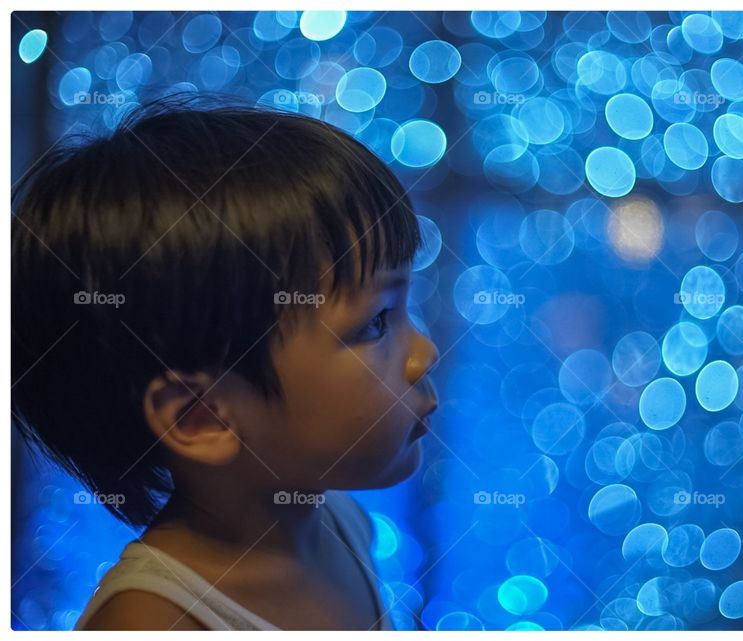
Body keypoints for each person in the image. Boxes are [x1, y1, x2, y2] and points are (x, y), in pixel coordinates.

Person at [11, 95, 439, 630]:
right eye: (375, 322)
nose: (424, 355)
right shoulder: (150, 622)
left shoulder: (341, 524)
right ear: (201, 417)